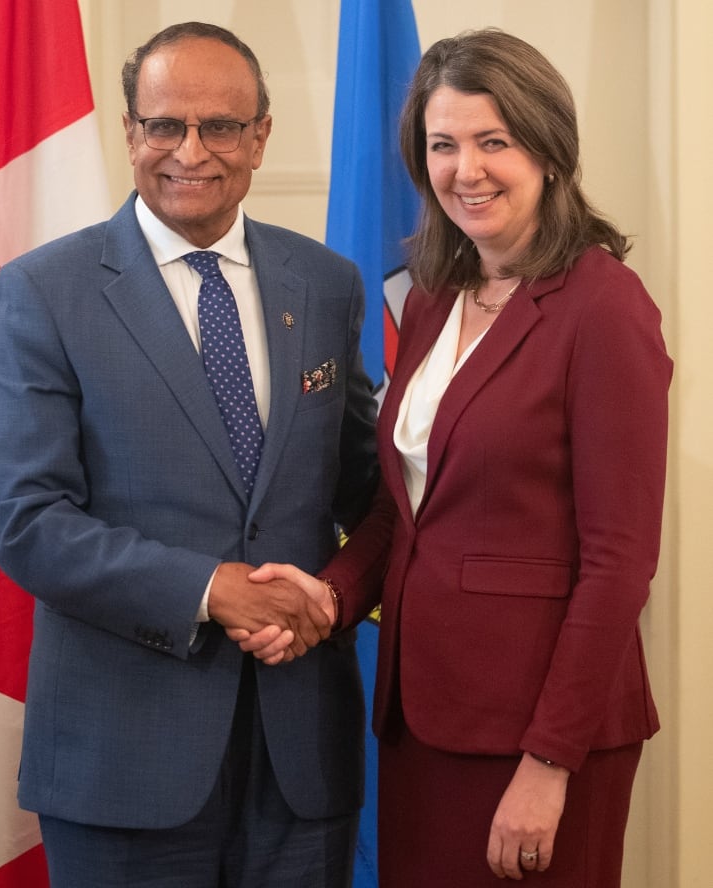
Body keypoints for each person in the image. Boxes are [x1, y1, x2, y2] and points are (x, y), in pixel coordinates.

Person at [236, 28, 672, 887]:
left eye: (493, 141)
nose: (465, 169)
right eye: (443, 145)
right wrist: (330, 593)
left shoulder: (604, 307)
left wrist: (550, 763)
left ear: (548, 149)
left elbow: (621, 562)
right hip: (423, 717)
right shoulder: (437, 295)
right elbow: (407, 509)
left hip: (540, 736)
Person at [0, 21, 378, 888]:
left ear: (261, 137)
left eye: (220, 126)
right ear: (130, 133)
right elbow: (25, 518)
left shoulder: (327, 285)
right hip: (123, 764)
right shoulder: (46, 291)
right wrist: (208, 590)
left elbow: (369, 490)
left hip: (301, 760)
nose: (189, 150)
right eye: (164, 125)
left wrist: (337, 598)